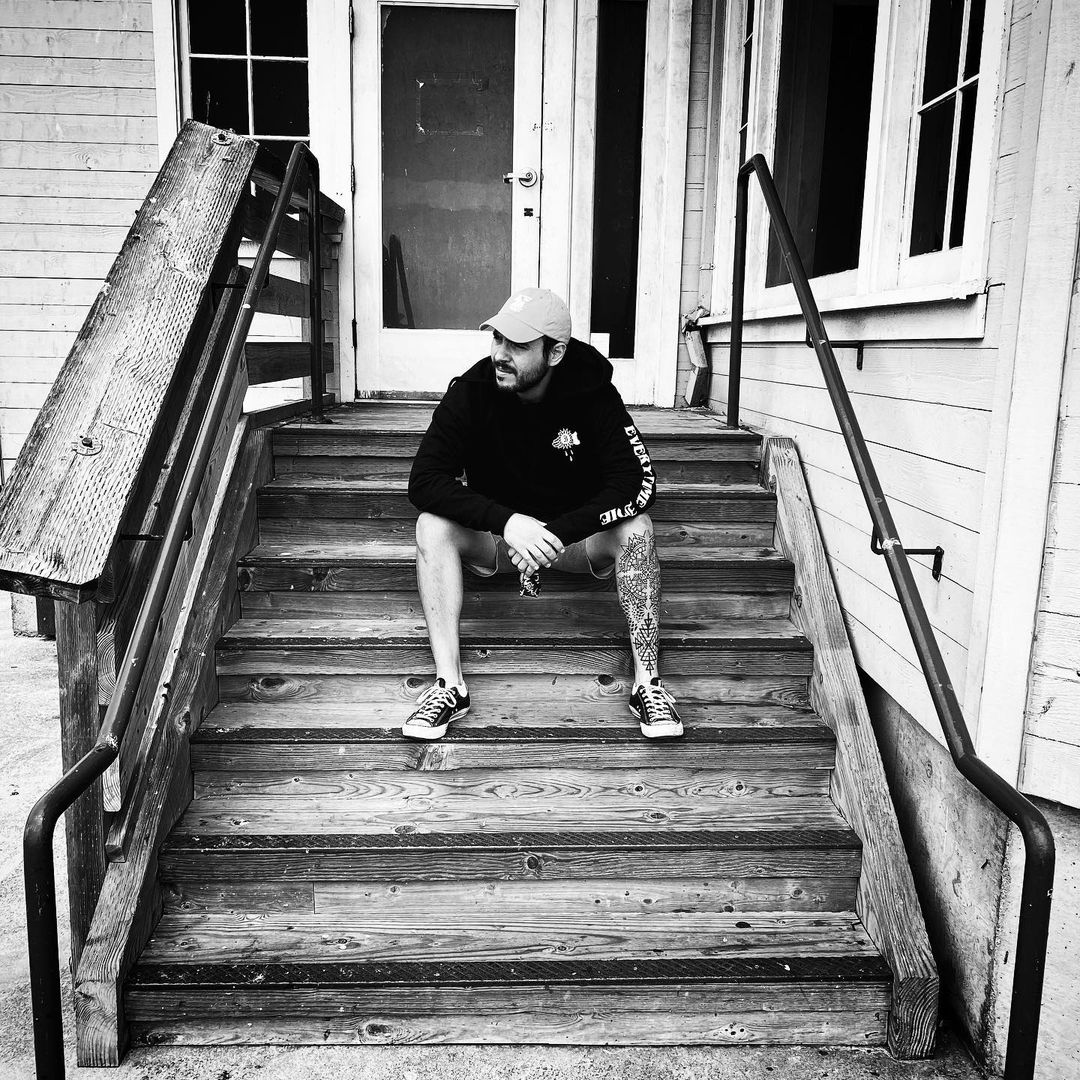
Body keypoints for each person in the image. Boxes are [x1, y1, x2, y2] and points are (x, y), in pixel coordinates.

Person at [403, 287, 682, 741]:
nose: (500, 354)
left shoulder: (594, 392)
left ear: (554, 353)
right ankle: (449, 685)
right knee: (430, 525)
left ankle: (648, 685)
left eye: (517, 344)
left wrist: (558, 532)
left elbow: (637, 482)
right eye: (497, 339)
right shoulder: (472, 391)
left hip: (574, 541)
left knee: (638, 527)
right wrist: (508, 523)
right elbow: (424, 481)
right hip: (499, 541)